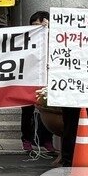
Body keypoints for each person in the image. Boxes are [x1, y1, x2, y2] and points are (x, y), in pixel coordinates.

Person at [23, 12, 56, 154]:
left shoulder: (54, 40)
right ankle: (26, 140)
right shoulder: (24, 39)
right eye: (34, 25)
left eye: (40, 25)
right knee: (27, 111)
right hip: (28, 80)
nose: (38, 28)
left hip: (47, 80)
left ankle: (47, 140)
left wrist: (49, 31)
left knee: (47, 111)